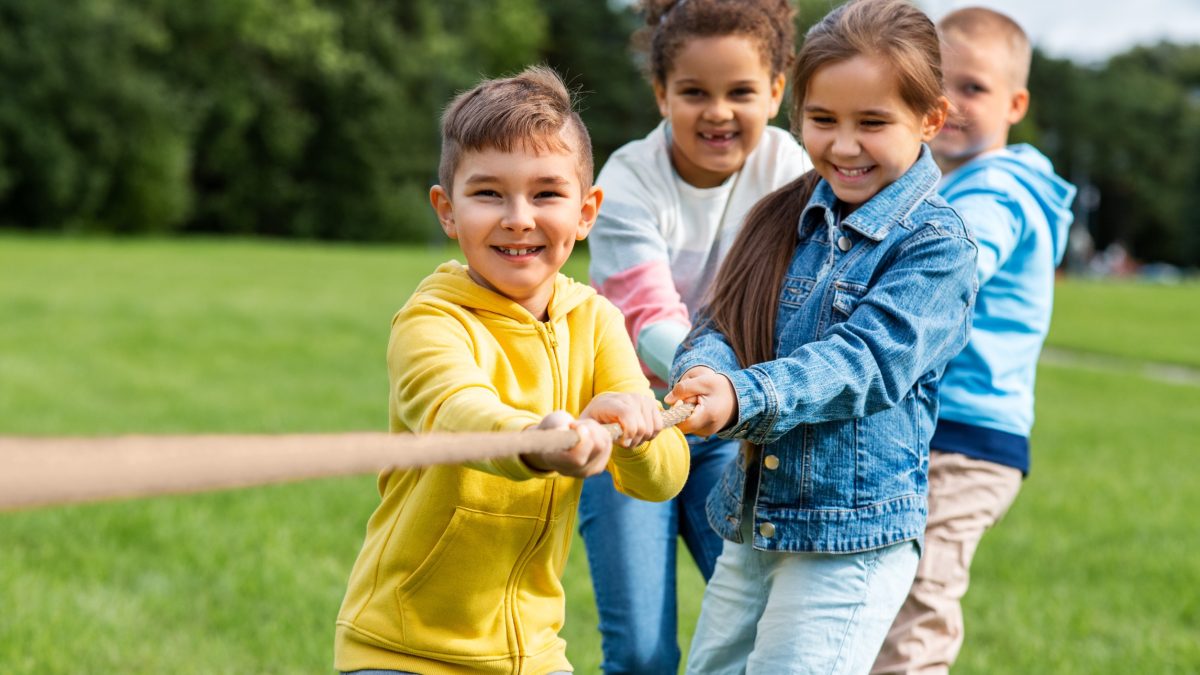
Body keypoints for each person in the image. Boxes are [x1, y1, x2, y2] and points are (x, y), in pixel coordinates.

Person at [332, 66, 691, 675]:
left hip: (533, 653)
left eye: (546, 193)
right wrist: (535, 441)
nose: (518, 217)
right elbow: (455, 413)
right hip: (403, 648)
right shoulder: (431, 320)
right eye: (489, 193)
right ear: (447, 211)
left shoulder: (598, 321)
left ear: (585, 212)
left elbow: (663, 479)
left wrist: (637, 430)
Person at [664, 0, 979, 671]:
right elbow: (723, 321)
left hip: (851, 539)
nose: (842, 145)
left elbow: (864, 361)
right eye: (823, 120)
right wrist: (706, 371)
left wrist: (741, 396)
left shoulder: (936, 245)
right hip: (755, 521)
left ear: (930, 119)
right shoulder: (785, 215)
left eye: (872, 123)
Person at [580, 0, 810, 670]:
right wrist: (715, 383)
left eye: (740, 91)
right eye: (693, 93)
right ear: (660, 94)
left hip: (733, 430)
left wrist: (738, 398)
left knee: (753, 630)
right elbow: (647, 315)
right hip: (633, 421)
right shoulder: (627, 179)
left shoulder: (792, 172)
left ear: (776, 90)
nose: (717, 111)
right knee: (644, 650)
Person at [872, 8, 1077, 674]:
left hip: (970, 435)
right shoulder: (945, 183)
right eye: (939, 84)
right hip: (934, 427)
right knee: (881, 593)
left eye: (975, 88)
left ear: (1016, 103)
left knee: (920, 598)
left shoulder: (998, 190)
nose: (951, 104)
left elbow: (964, 257)